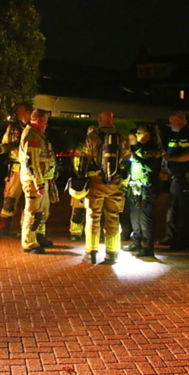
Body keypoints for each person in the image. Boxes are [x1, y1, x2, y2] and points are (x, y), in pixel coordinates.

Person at [79, 110, 131, 265]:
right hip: (115, 183)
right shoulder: (122, 137)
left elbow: (84, 160)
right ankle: (112, 252)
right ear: (112, 120)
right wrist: (122, 179)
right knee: (113, 217)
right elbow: (128, 161)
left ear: (100, 120)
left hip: (96, 181)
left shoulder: (92, 137)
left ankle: (91, 251)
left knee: (93, 216)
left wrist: (82, 178)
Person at [158, 111, 189, 251]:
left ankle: (182, 241)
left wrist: (170, 159)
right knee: (173, 209)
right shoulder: (177, 135)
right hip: (177, 178)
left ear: (180, 121)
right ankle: (171, 237)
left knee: (183, 211)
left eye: (172, 121)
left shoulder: (187, 134)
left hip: (185, 177)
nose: (170, 124)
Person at [122, 124, 164, 258]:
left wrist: (136, 158)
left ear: (148, 134)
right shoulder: (139, 147)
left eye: (140, 132)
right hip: (135, 187)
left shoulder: (154, 149)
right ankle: (136, 241)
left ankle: (148, 246)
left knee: (145, 218)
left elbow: (153, 168)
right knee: (134, 216)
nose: (137, 134)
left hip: (147, 187)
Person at [0, 103, 33, 236]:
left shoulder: (35, 128)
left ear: (28, 112)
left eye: (20, 111)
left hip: (31, 169)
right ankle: (4, 226)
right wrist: (0, 149)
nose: (17, 113)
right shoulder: (13, 128)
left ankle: (25, 229)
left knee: (29, 200)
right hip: (16, 168)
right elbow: (7, 144)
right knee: (10, 198)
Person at [19, 109, 56, 254]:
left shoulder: (38, 135)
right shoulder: (31, 136)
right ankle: (29, 242)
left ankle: (39, 236)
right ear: (39, 120)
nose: (47, 125)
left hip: (42, 179)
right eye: (45, 122)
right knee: (33, 212)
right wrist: (39, 184)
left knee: (43, 211)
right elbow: (32, 163)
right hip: (34, 182)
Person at [68, 124, 96, 241]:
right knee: (78, 209)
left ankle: (91, 233)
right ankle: (75, 232)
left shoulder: (101, 147)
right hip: (82, 180)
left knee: (93, 209)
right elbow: (76, 163)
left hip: (94, 181)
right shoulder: (81, 147)